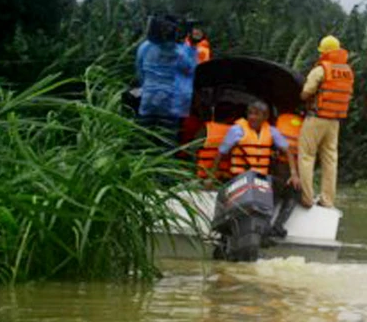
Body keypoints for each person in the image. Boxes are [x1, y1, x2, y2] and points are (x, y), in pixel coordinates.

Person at [210, 101, 301, 235]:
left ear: (265, 117)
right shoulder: (237, 130)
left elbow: (287, 151)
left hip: (260, 180)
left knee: (294, 190)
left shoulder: (271, 131)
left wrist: (294, 174)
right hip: (240, 179)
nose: (252, 117)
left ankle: (277, 226)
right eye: (250, 113)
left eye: (256, 114)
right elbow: (221, 153)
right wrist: (211, 177)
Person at [298, 35, 354, 209]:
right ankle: (327, 200)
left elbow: (307, 92)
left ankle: (307, 197)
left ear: (323, 52)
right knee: (330, 160)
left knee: (307, 156)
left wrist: (301, 98)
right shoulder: (347, 71)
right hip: (334, 121)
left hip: (316, 118)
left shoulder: (321, 69)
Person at [135, 17, 197, 144]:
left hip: (148, 100)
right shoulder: (180, 51)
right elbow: (191, 69)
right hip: (171, 103)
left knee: (143, 137)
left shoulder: (145, 47)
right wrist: (192, 46)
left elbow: (139, 70)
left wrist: (146, 87)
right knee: (167, 140)